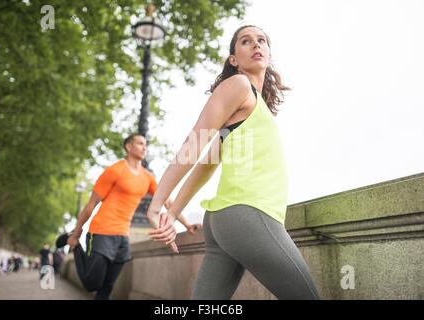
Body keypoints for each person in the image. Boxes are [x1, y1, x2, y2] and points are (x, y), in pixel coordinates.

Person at [146, 25, 320, 300]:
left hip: (224, 222)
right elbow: (196, 141)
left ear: (270, 54)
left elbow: (207, 163)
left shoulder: (252, 105)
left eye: (261, 40)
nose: (256, 45)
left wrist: (174, 211)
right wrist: (158, 204)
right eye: (245, 41)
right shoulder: (239, 85)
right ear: (233, 59)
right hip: (248, 213)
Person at [56, 134, 199, 300]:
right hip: (101, 231)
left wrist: (187, 224)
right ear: (128, 147)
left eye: (145, 144)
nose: (144, 147)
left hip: (123, 236)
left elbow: (167, 202)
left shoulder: (147, 177)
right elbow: (91, 204)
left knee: (107, 289)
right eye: (140, 143)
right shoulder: (114, 171)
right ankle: (74, 246)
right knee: (92, 284)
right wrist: (76, 233)